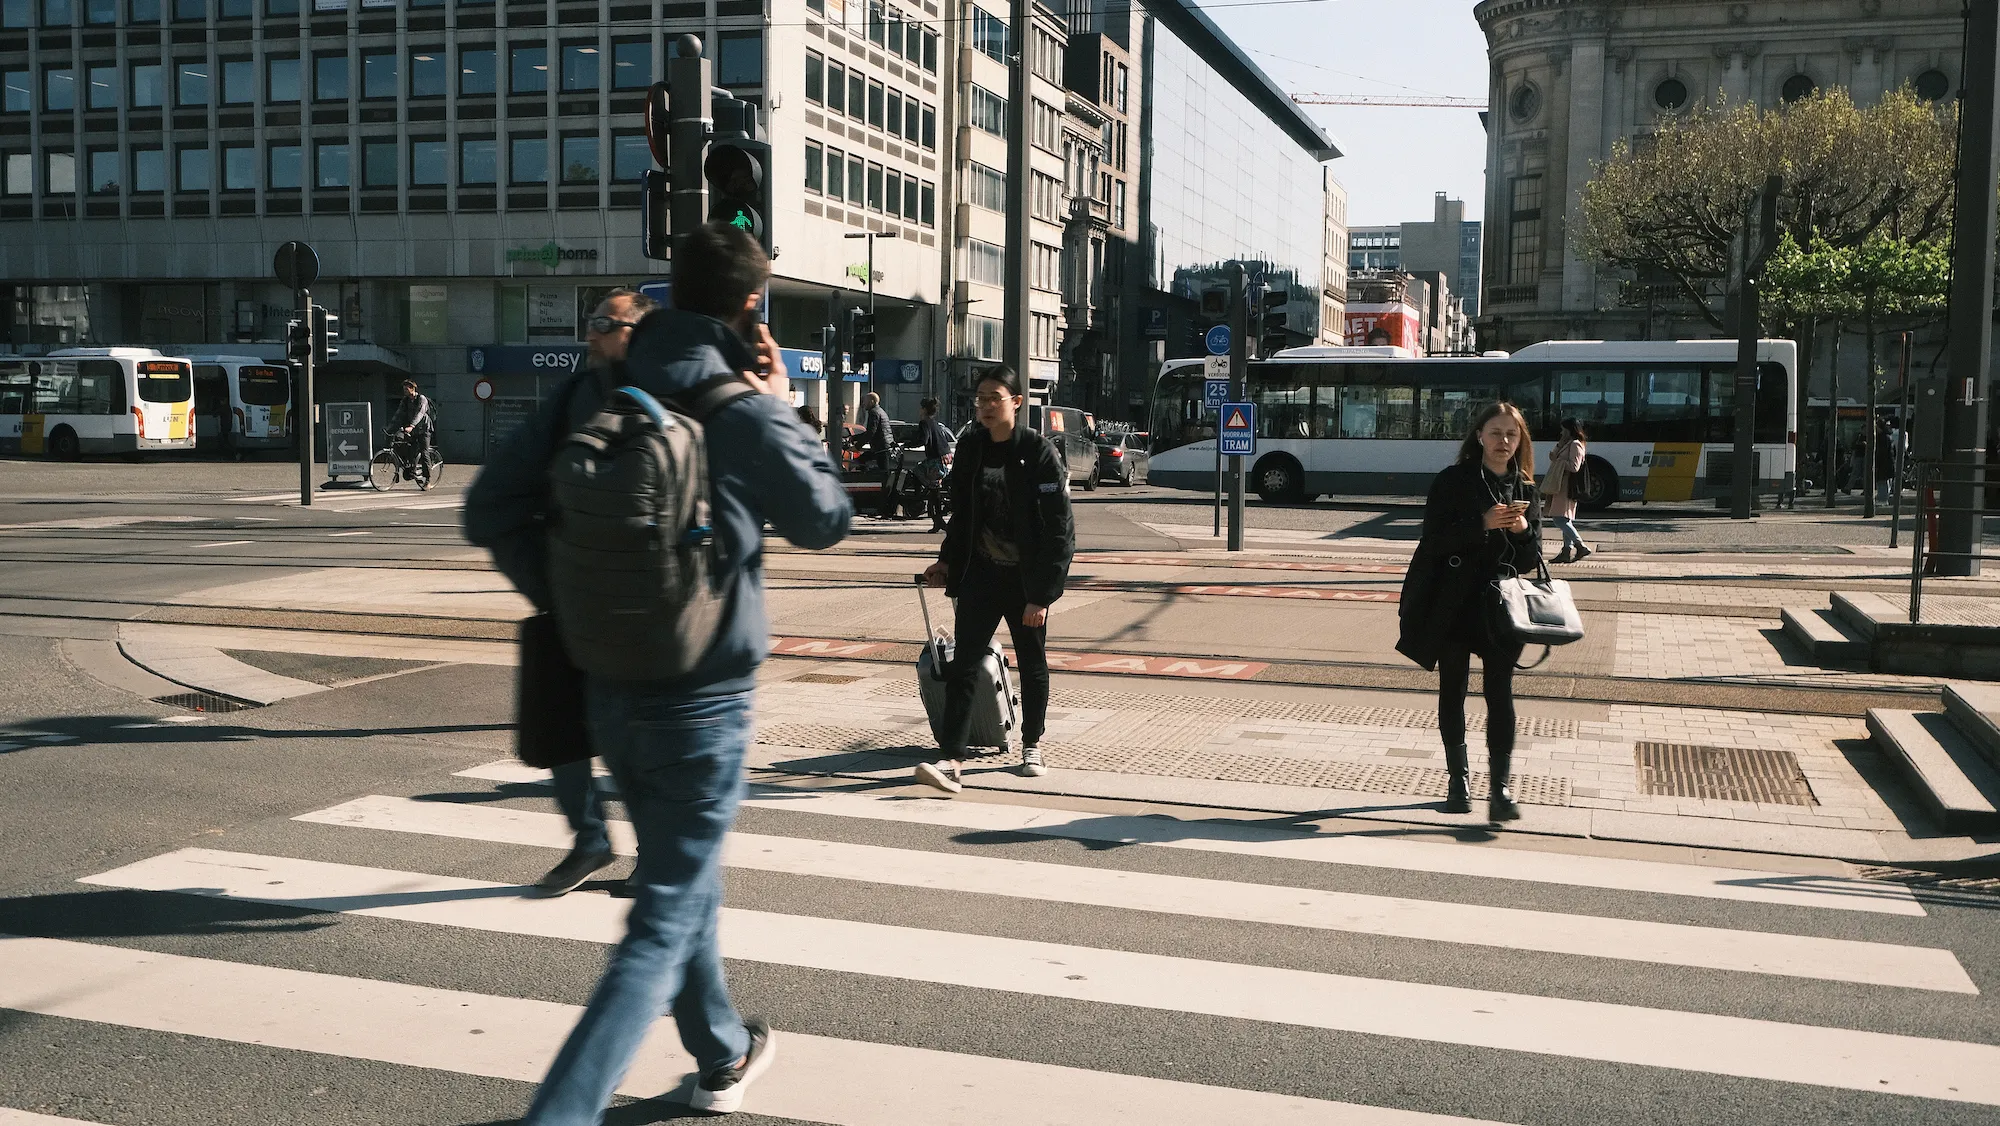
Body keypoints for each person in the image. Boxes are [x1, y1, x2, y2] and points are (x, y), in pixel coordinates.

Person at [465, 221, 852, 1120]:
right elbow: (828, 519)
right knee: (661, 916)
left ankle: (719, 1050)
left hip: (606, 685)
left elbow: (489, 509)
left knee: (686, 874)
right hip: (703, 699)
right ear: (753, 304)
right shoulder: (740, 402)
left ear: (669, 290)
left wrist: (570, 601)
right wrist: (782, 402)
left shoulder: (598, 387)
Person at [529, 286, 657, 898]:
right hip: (572, 591)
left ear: (637, 330)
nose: (593, 333)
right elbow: (504, 495)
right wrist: (544, 581)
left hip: (642, 603)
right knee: (559, 723)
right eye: (591, 321)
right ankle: (589, 839)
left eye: (606, 323)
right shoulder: (576, 393)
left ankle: (653, 855)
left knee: (630, 734)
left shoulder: (669, 394)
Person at [917, 368, 1074, 790]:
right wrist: (946, 562)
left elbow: (1059, 530)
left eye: (995, 398)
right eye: (981, 398)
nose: (986, 405)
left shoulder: (1038, 452)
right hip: (981, 576)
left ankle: (1032, 744)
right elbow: (963, 516)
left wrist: (1042, 596)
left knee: (1032, 662)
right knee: (963, 664)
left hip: (1025, 582)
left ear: (1016, 402)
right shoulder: (971, 447)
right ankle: (951, 758)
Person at [1394, 400, 1540, 823]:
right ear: (1479, 436)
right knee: (1452, 689)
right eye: (1495, 433)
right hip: (1454, 603)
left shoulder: (1526, 489)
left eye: (1512, 435)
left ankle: (1500, 788)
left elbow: (1533, 559)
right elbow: (1433, 542)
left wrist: (1522, 529)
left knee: (1500, 694)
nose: (1504, 442)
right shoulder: (1452, 481)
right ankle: (1458, 783)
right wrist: (1481, 524)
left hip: (1501, 609)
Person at [1542, 418, 1592, 563]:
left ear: (1570, 429)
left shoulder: (1576, 444)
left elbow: (1574, 466)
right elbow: (1553, 457)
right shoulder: (1567, 443)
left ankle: (1580, 545)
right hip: (1560, 485)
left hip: (1566, 487)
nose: (1561, 431)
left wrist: (1560, 462)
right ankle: (1566, 551)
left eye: (1563, 429)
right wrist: (1559, 445)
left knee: (1559, 519)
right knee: (1564, 519)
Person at [916, 396, 953, 533]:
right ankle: (938, 520)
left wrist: (908, 444)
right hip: (945, 458)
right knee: (934, 491)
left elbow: (923, 439)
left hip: (935, 460)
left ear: (924, 409)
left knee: (919, 473)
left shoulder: (924, 423)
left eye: (921, 408)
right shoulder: (935, 423)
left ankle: (937, 519)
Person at [389, 379, 434, 481]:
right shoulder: (405, 400)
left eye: (406, 389)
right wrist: (389, 427)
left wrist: (412, 426)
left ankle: (428, 480)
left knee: (424, 452)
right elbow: (398, 414)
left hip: (424, 429)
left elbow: (420, 414)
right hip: (413, 429)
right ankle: (412, 471)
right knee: (409, 449)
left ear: (412, 388)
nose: (404, 391)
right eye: (403, 389)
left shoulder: (421, 399)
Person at [1876, 417, 1898, 504]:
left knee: (1883, 482)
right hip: (1887, 464)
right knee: (1885, 482)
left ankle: (1882, 500)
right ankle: (1883, 499)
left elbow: (1882, 452)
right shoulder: (1888, 437)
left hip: (1884, 464)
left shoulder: (1883, 438)